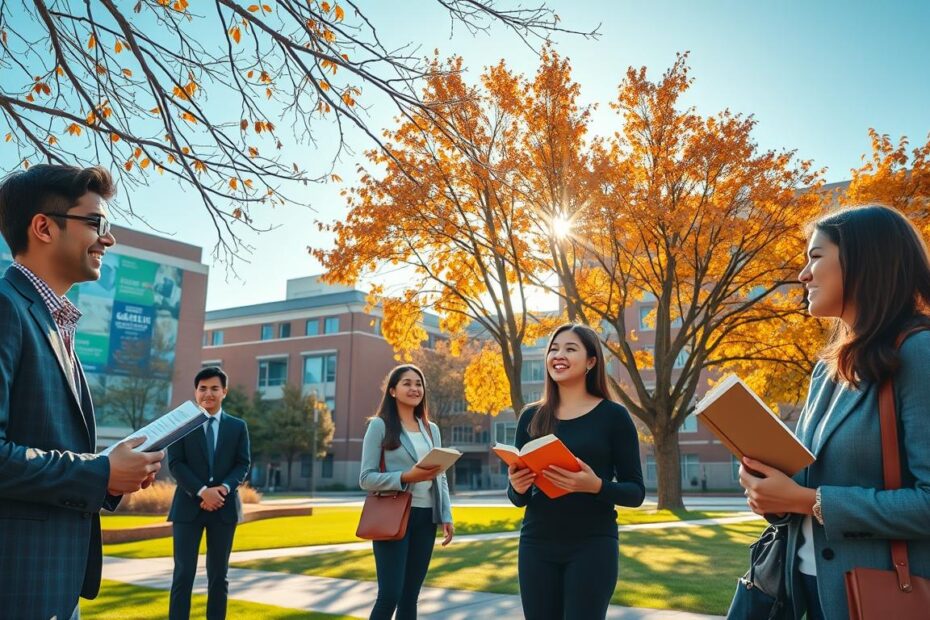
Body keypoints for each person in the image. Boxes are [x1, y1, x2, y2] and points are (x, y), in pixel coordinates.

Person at [739, 205, 930, 620]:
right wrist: (771, 491)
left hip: (883, 595)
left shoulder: (919, 353)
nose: (803, 275)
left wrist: (810, 500)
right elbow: (811, 482)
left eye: (816, 256)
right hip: (806, 588)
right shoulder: (828, 368)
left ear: (864, 261)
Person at [0, 164, 164, 619]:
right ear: (43, 227)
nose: (107, 239)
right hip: (16, 589)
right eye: (95, 223)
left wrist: (113, 471)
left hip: (53, 585)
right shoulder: (6, 309)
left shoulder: (53, 321)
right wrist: (100, 473)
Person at [507, 323, 645, 620]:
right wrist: (517, 487)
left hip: (593, 545)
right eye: (554, 349)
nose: (559, 355)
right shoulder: (530, 417)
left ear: (591, 361)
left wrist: (596, 485)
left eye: (570, 349)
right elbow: (519, 499)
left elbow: (636, 492)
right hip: (536, 544)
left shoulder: (614, 416)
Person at [359, 364, 454, 620]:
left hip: (426, 517)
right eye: (407, 383)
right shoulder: (379, 425)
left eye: (419, 384)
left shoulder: (431, 429)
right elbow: (366, 478)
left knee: (410, 596)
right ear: (392, 391)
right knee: (390, 595)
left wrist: (446, 515)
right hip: (394, 516)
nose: (414, 388)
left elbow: (440, 475)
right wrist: (405, 477)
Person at [168, 366, 251, 620]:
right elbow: (175, 464)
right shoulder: (181, 424)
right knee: (183, 575)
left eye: (214, 388)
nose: (208, 394)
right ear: (196, 392)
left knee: (219, 576)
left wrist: (222, 490)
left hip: (224, 510)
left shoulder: (237, 427)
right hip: (187, 508)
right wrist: (203, 492)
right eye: (202, 388)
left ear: (224, 391)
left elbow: (243, 463)